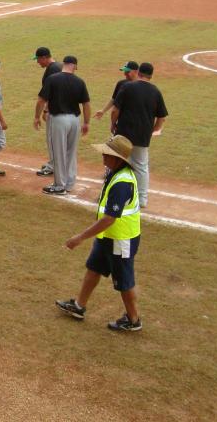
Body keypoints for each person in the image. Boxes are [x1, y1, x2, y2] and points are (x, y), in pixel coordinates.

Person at [56, 135, 142, 332]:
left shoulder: (122, 183)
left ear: (118, 158)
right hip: (108, 237)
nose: (103, 156)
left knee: (124, 281)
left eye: (108, 153)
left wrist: (79, 237)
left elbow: (109, 218)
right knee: (93, 268)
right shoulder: (115, 173)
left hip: (121, 239)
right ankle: (79, 306)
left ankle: (134, 319)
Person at [110, 62, 168, 209]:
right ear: (151, 75)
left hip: (123, 133)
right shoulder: (155, 91)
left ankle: (114, 194)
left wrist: (113, 124)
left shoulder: (128, 87)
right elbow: (162, 117)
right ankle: (142, 199)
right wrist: (153, 130)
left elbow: (115, 110)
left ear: (139, 72)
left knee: (118, 163)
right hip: (142, 136)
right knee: (141, 167)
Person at [34, 55, 91, 195]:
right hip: (75, 120)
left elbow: (41, 100)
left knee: (58, 152)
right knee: (71, 152)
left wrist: (36, 116)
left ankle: (59, 185)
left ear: (64, 64)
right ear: (75, 66)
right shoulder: (80, 81)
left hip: (58, 119)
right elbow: (86, 104)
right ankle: (70, 183)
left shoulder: (52, 79)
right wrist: (87, 122)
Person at [33, 47, 62, 177]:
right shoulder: (58, 66)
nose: (38, 62)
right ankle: (56, 164)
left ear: (44, 57)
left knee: (52, 140)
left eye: (38, 59)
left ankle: (52, 166)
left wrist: (44, 111)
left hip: (55, 111)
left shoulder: (52, 70)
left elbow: (50, 94)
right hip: (63, 110)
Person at [94, 61, 139, 126]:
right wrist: (103, 111)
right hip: (122, 122)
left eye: (127, 72)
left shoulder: (142, 87)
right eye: (124, 71)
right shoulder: (121, 84)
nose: (125, 74)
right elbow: (114, 99)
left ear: (136, 72)